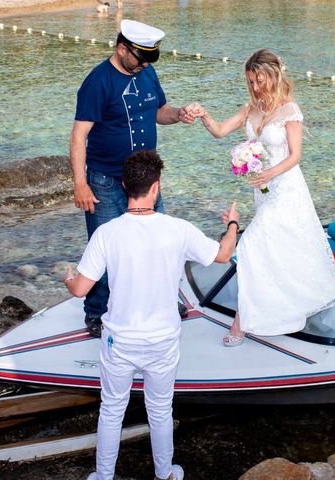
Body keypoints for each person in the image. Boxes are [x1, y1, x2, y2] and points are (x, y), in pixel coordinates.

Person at [64, 149, 240, 480]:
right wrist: (232, 224)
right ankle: (165, 473)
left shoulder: (107, 233)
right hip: (163, 339)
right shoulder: (179, 229)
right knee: (159, 411)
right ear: (156, 187)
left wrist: (68, 278)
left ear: (122, 186)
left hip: (119, 340)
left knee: (112, 410)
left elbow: (80, 290)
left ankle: (103, 476)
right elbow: (222, 254)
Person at [192, 48, 335, 346]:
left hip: (286, 188)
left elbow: (296, 156)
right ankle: (280, 304)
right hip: (263, 190)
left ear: (273, 77)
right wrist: (205, 115)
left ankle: (242, 322)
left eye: (258, 80)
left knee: (250, 244)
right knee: (278, 248)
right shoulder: (251, 108)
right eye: (250, 81)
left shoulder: (290, 110)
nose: (254, 87)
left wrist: (269, 173)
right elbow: (221, 131)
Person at [70, 19, 197, 337]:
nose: (143, 64)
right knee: (106, 249)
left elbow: (158, 111)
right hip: (105, 180)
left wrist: (179, 115)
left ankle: (166, 300)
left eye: (149, 59)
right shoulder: (97, 82)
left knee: (162, 243)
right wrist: (80, 183)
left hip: (146, 180)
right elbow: (78, 135)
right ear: (121, 48)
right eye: (139, 57)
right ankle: (97, 312)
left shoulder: (147, 71)